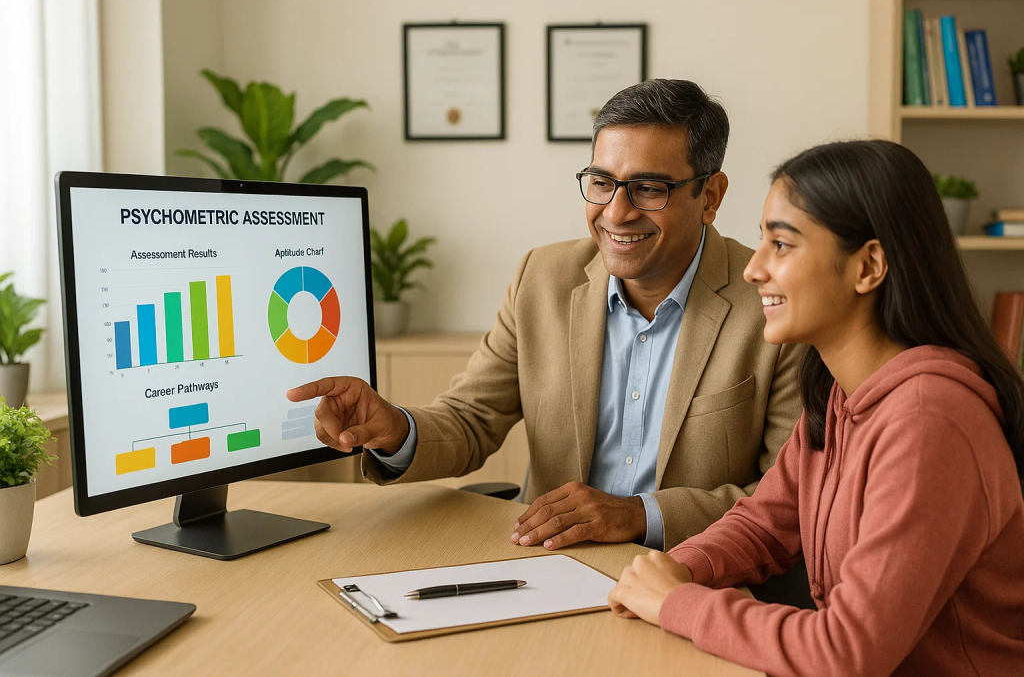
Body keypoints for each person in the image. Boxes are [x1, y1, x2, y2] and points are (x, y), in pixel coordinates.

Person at [287, 79, 804, 552]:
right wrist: (394, 429)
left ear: (709, 197)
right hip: (549, 566)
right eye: (602, 182)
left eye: (649, 189)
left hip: (695, 576)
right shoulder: (542, 278)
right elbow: (471, 420)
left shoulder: (773, 303)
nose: (617, 212)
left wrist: (637, 516)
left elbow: (786, 498)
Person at [608, 139, 1024, 676]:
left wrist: (675, 603)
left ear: (868, 266)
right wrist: (667, 573)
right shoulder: (839, 392)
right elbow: (764, 525)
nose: (754, 270)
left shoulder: (929, 422)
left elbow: (846, 652)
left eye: (781, 245)